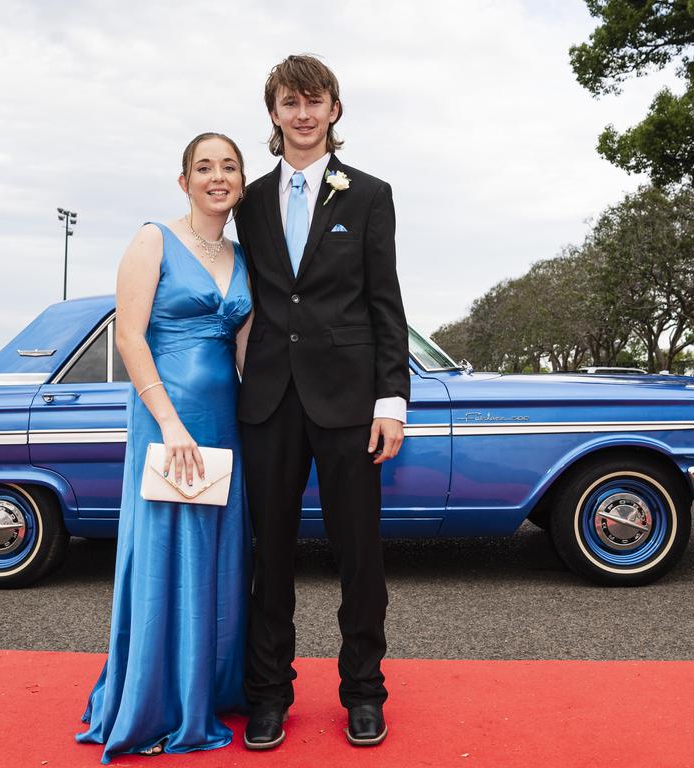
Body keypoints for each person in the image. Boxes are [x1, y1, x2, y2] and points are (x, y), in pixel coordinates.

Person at [235, 54, 410, 750]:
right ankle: (269, 695)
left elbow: (384, 302)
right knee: (269, 557)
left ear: (334, 109)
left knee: (360, 556)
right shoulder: (246, 200)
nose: (302, 113)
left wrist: (391, 400)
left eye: (315, 100)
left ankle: (364, 693)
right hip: (269, 400)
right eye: (289, 101)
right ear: (273, 114)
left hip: (349, 403)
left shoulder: (369, 194)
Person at [76, 133, 252, 763]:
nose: (217, 176)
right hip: (166, 418)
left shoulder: (241, 255)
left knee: (216, 553)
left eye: (228, 167)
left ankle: (207, 685)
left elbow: (245, 350)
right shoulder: (153, 239)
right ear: (184, 181)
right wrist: (172, 423)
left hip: (224, 421)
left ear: (240, 180)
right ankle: (156, 698)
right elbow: (129, 339)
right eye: (204, 167)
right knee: (166, 549)